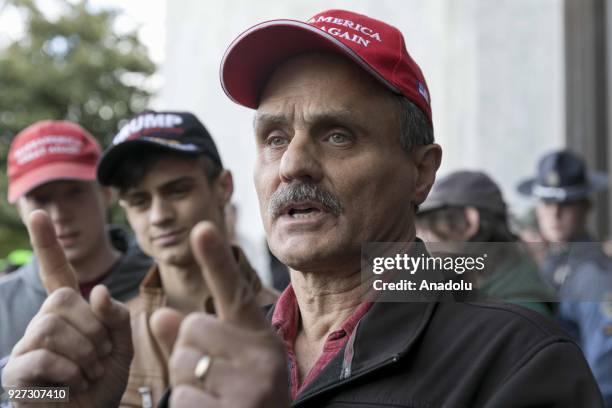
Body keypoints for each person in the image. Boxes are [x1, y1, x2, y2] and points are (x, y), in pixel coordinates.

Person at [1, 10, 604, 408]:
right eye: (273, 137)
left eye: (338, 134)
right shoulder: (208, 351)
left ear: (422, 171)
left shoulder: (518, 364)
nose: (293, 164)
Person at [95, 110, 279, 407]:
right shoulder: (109, 340)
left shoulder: (291, 322)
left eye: (178, 191)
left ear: (223, 187)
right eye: (139, 201)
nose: (159, 216)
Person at [0, 120, 150, 359]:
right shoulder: (2, 305)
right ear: (20, 208)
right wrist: (25, 394)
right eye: (41, 199)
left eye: (75, 192)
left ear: (106, 192)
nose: (59, 215)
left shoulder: (163, 282)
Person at [518, 149, 612, 405]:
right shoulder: (549, 261)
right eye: (547, 203)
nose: (555, 214)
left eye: (566, 203)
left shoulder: (595, 276)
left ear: (586, 206)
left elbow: (606, 369)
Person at [415, 170, 554, 317]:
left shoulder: (516, 316)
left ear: (469, 223)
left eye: (431, 226)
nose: (423, 240)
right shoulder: (492, 294)